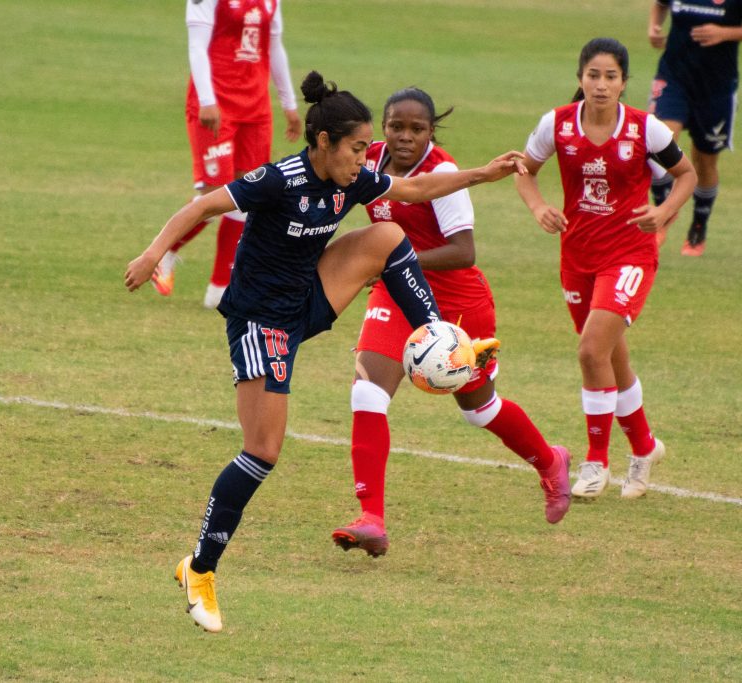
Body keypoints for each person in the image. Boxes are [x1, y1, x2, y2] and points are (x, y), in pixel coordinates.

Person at [125, 71, 528, 632]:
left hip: (309, 298)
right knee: (263, 451)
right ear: (324, 142)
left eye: (366, 149)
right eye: (358, 148)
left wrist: (484, 173)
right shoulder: (277, 180)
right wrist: (152, 255)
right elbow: (201, 208)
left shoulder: (352, 179)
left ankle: (435, 339)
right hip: (261, 321)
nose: (366, 160)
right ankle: (200, 568)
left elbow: (414, 191)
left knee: (389, 238)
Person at [330, 87, 572, 559]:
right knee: (367, 393)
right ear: (383, 128)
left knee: (479, 410)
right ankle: (371, 519)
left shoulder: (442, 173)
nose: (405, 137)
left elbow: (464, 251)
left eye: (417, 129)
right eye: (396, 127)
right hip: (397, 291)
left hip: (458, 299)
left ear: (431, 132)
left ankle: (550, 461)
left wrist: (390, 261)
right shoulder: (369, 159)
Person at [514, 38, 696, 500]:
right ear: (580, 78)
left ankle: (596, 463)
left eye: (610, 76)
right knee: (611, 357)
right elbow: (524, 169)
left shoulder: (645, 129)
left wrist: (663, 212)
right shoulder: (557, 124)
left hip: (630, 256)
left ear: (623, 82)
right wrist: (538, 207)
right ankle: (645, 447)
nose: (600, 84)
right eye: (593, 75)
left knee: (591, 351)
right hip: (577, 257)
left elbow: (687, 174)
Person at [152, 0, 303, 307]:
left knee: (249, 193)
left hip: (255, 108)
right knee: (214, 194)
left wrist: (289, 104)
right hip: (217, 105)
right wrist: (207, 100)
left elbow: (274, 47)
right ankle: (165, 249)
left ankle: (220, 288)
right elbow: (197, 45)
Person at [646, 0, 742, 256]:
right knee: (658, 147)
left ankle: (699, 224)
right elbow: (660, 4)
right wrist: (654, 27)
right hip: (673, 78)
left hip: (716, 89)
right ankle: (663, 214)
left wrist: (724, 33)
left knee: (704, 162)